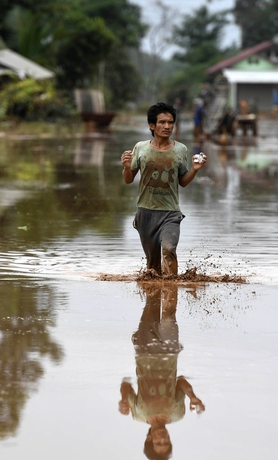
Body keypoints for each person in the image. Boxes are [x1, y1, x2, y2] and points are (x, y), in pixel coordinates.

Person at [118, 284, 205, 460]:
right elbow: (180, 382)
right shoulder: (177, 414)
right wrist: (193, 396)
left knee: (152, 302)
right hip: (169, 352)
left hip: (145, 353)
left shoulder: (139, 415)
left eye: (158, 443)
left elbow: (126, 385)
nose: (163, 440)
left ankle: (153, 272)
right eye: (166, 443)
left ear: (149, 439)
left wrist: (122, 399)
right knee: (169, 311)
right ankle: (168, 273)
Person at [120, 101, 207, 277]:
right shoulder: (141, 148)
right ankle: (154, 299)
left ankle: (171, 296)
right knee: (153, 270)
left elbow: (182, 182)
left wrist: (195, 170)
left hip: (170, 213)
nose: (167, 126)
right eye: (162, 122)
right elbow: (129, 180)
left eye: (170, 122)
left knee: (168, 249)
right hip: (146, 213)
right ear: (152, 125)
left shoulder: (180, 149)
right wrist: (127, 167)